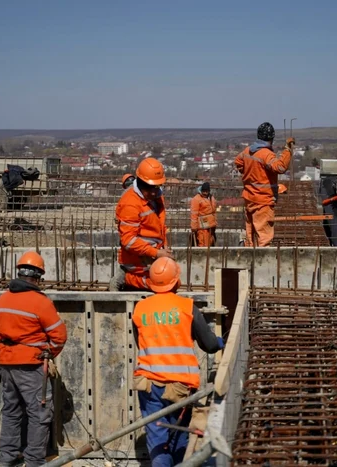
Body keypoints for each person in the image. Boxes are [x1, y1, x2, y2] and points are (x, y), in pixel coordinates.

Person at [132, 257, 224, 466]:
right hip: (180, 386)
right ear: (176, 280)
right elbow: (209, 345)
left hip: (149, 384)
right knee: (178, 436)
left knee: (158, 437)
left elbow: (140, 343)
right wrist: (219, 342)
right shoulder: (186, 307)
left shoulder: (140, 308)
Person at [0, 251, 67, 467]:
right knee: (40, 413)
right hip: (30, 365)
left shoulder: (2, 298)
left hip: (6, 363)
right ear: (37, 277)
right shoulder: (40, 302)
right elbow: (59, 336)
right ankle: (34, 461)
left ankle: (7, 458)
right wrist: (49, 354)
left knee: (11, 411)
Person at [111, 158, 172, 291]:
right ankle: (126, 278)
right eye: (150, 188)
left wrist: (164, 249)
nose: (153, 192)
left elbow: (160, 225)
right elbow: (128, 240)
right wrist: (156, 253)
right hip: (137, 260)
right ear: (140, 182)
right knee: (160, 285)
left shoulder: (156, 196)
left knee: (172, 280)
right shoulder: (130, 203)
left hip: (154, 255)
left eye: (156, 187)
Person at [234, 122, 294, 247]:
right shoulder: (266, 154)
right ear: (271, 138)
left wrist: (249, 173)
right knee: (264, 239)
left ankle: (250, 262)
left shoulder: (247, 151)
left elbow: (238, 161)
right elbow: (280, 167)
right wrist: (287, 150)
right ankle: (261, 265)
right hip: (263, 201)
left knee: (251, 237)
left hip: (249, 199)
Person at [190, 182, 217, 247]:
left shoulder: (211, 198)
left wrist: (215, 222)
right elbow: (194, 214)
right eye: (203, 191)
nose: (205, 193)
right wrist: (193, 227)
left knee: (210, 242)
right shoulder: (196, 199)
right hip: (202, 227)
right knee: (202, 243)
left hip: (211, 226)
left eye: (206, 191)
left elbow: (214, 212)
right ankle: (202, 256)